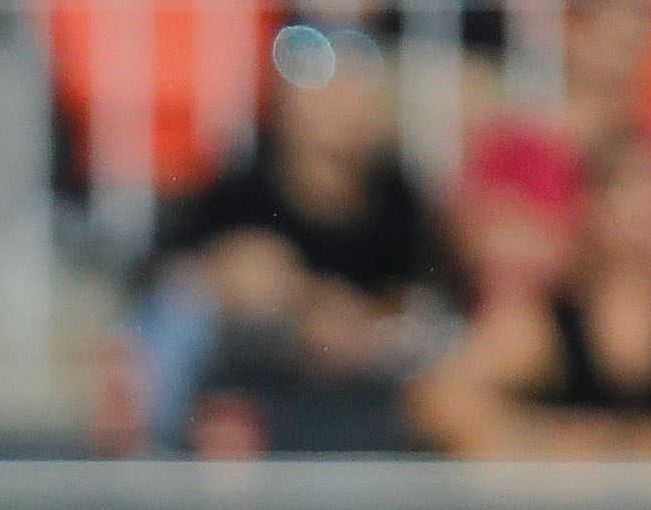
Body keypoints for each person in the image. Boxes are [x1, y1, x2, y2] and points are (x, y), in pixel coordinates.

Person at [124, 27, 458, 454]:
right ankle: (151, 448)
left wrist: (358, 321)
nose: (343, 107)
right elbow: (160, 275)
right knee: (184, 306)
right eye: (325, 91)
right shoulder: (241, 192)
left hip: (364, 359)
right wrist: (248, 280)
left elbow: (423, 297)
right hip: (258, 354)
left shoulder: (400, 199)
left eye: (355, 91)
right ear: (285, 105)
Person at [410, 129, 651, 454]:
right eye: (625, 189)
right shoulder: (548, 322)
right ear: (591, 207)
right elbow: (437, 398)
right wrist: (558, 442)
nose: (644, 208)